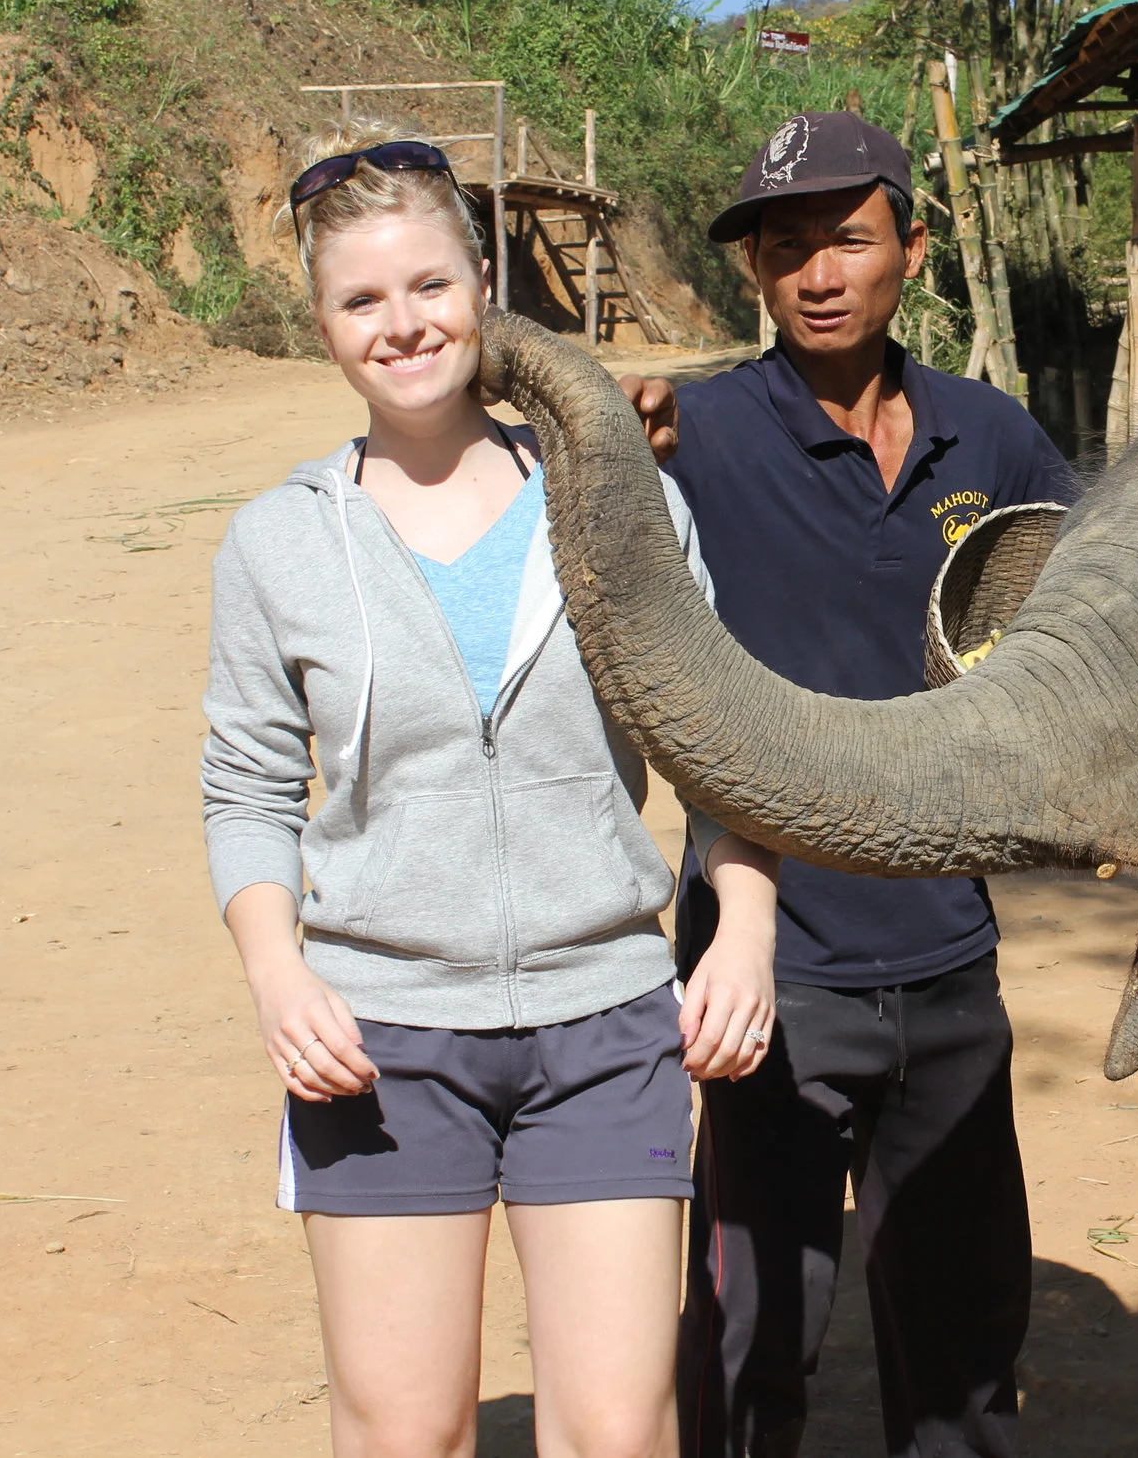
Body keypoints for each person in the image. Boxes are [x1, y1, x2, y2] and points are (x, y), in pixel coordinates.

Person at [199, 127, 777, 1458]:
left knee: (620, 1428)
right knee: (405, 1429)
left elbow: (719, 742)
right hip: (382, 1039)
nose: (401, 324)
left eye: (429, 285)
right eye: (361, 299)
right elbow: (243, 784)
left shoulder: (613, 496)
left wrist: (741, 929)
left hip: (606, 1028)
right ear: (324, 324)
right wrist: (282, 977)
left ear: (482, 283)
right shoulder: (280, 539)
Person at [664, 113, 1079, 1458]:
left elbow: (1096, 611)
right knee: (750, 1339)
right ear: (757, 277)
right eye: (787, 250)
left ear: (913, 242)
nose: (820, 274)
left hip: (951, 958)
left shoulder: (990, 438)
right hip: (769, 962)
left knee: (962, 1345)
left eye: (848, 238)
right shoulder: (701, 433)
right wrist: (610, 437)